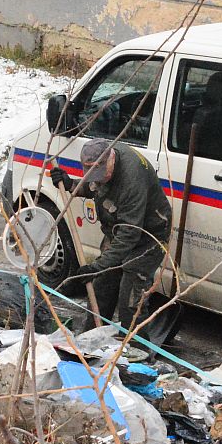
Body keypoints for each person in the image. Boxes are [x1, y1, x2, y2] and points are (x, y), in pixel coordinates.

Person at [51, 139, 173, 331]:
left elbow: (130, 234)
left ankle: (136, 350)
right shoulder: (103, 162)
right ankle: (91, 341)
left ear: (112, 159)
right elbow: (95, 187)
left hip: (148, 235)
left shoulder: (132, 178)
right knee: (101, 286)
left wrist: (97, 266)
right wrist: (71, 185)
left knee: (131, 300)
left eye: (102, 174)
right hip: (118, 229)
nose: (99, 179)